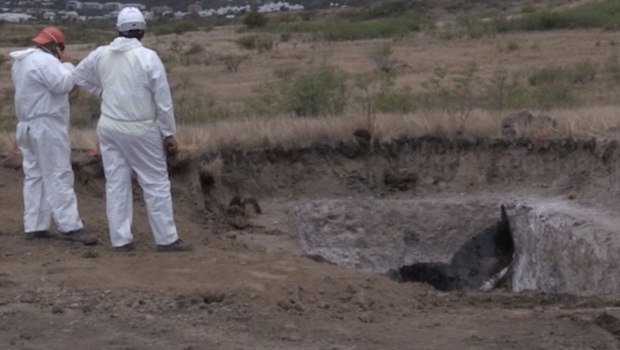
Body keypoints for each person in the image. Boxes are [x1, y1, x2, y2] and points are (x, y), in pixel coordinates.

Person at [72, 7, 192, 253]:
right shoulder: (148, 57)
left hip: (108, 127)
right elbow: (163, 100)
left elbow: (78, 76)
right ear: (143, 31)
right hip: (140, 129)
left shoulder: (101, 54)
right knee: (155, 182)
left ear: (118, 29)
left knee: (116, 183)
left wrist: (103, 91)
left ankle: (121, 240)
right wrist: (169, 133)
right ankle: (166, 239)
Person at [9, 26, 97, 245]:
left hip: (26, 126)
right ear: (56, 46)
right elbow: (63, 84)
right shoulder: (46, 62)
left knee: (35, 175)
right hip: (46, 125)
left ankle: (35, 225)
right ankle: (70, 226)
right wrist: (67, 63)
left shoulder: (21, 61)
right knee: (58, 174)